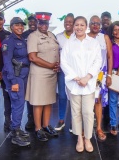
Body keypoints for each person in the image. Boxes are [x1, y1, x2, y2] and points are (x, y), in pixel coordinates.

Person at [61, 16, 102, 153]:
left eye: (82, 25)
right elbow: (64, 62)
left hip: (89, 84)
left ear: (86, 27)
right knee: (76, 112)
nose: (79, 27)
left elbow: (98, 61)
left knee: (88, 112)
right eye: (76, 25)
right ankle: (79, 138)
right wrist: (76, 78)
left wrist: (87, 77)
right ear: (73, 27)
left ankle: (88, 138)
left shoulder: (93, 43)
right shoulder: (69, 43)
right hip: (74, 84)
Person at [25, 12, 60, 142]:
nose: (43, 25)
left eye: (45, 23)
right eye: (41, 22)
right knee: (39, 102)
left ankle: (46, 125)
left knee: (49, 101)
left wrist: (58, 65)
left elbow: (56, 51)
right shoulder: (33, 36)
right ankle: (38, 128)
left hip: (52, 73)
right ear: (37, 23)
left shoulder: (51, 35)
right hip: (39, 73)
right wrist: (51, 65)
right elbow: (32, 57)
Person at [2, 17, 31, 146]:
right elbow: (7, 61)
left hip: (23, 74)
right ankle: (15, 133)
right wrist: (13, 81)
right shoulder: (9, 41)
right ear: (11, 27)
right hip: (15, 75)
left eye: (21, 25)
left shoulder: (22, 40)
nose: (20, 27)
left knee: (19, 103)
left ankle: (17, 128)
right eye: (17, 25)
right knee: (18, 103)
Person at [87, 15, 113, 141]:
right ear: (89, 24)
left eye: (98, 23)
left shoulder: (105, 37)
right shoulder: (84, 37)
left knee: (98, 101)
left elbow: (109, 57)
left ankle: (99, 128)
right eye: (93, 23)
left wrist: (109, 75)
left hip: (100, 75)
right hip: (86, 75)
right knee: (86, 102)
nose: (95, 25)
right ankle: (85, 129)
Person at [54, 13, 74, 131]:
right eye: (66, 21)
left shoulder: (78, 36)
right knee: (62, 96)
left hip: (74, 72)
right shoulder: (58, 37)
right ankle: (61, 120)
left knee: (73, 96)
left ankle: (73, 121)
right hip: (62, 72)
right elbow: (55, 53)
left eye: (70, 21)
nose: (68, 23)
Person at [22, 14, 37, 130]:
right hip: (27, 69)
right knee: (29, 95)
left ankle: (40, 119)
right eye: (30, 22)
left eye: (34, 22)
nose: (32, 23)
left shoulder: (41, 34)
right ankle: (30, 118)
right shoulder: (24, 35)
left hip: (40, 69)